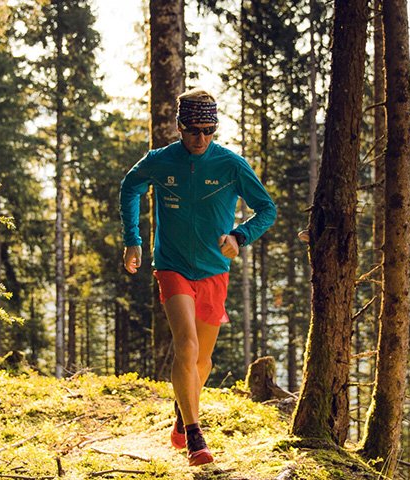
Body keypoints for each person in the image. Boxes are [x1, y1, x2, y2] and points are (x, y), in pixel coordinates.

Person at [119, 87, 277, 466]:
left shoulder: (230, 164)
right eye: (193, 130)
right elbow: (130, 187)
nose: (201, 138)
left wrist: (240, 236)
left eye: (208, 130)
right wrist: (132, 240)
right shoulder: (160, 161)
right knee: (186, 346)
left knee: (202, 361)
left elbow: (266, 209)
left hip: (213, 270)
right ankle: (195, 436)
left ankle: (181, 413)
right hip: (172, 265)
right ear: (179, 126)